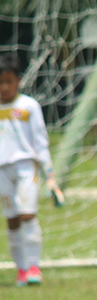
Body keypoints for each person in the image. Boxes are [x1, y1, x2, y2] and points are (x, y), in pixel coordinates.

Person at [0, 52, 61, 287]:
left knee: (27, 214)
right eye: (0, 82)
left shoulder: (29, 106)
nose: (4, 87)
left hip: (26, 167)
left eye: (8, 81)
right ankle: (21, 269)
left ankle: (34, 266)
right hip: (2, 170)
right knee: (12, 219)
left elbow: (40, 142)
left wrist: (50, 176)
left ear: (18, 80)